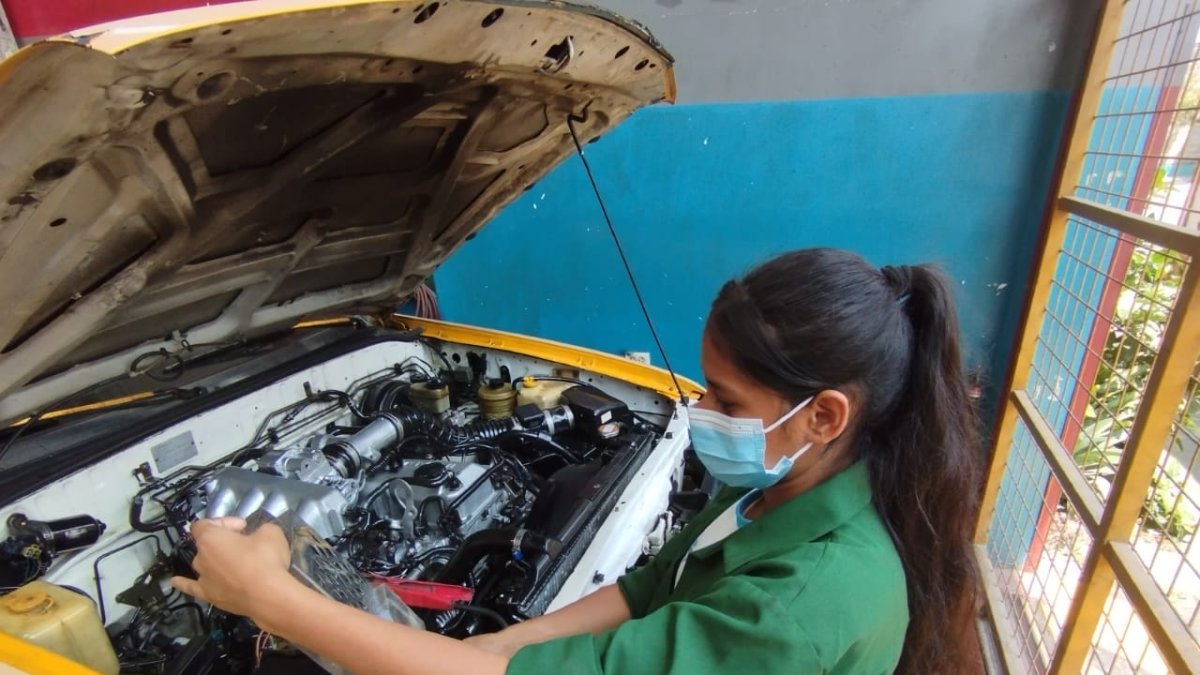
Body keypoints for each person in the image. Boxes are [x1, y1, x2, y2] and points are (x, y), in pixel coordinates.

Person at [173, 248, 982, 674]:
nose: (702, 414)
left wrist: (271, 598)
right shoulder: (788, 482)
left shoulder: (807, 603)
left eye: (728, 402)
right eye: (704, 388)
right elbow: (647, 588)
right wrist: (496, 644)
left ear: (826, 414)